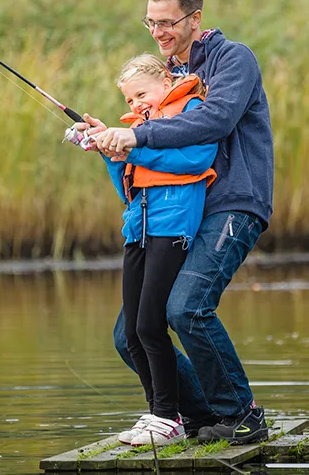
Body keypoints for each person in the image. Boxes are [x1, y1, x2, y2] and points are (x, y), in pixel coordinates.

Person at [80, 0, 275, 444]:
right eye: (151, 23)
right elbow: (143, 166)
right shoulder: (163, 79)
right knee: (130, 335)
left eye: (167, 22)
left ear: (195, 18)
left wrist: (137, 135)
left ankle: (243, 413)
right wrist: (114, 142)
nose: (159, 32)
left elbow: (215, 120)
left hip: (232, 204)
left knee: (188, 307)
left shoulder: (233, 59)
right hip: (180, 212)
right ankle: (201, 415)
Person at [91, 53, 217, 446]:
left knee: (150, 324)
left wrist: (134, 148)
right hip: (138, 231)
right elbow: (127, 189)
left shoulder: (192, 111)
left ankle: (168, 417)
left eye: (141, 94)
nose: (135, 105)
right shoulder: (137, 128)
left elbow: (196, 159)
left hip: (174, 228)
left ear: (165, 81)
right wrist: (109, 151)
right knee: (131, 332)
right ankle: (158, 414)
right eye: (129, 101)